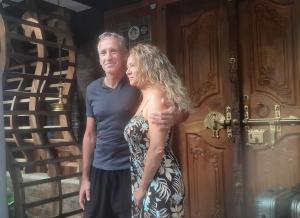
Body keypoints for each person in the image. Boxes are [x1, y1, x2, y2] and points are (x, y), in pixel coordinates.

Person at [79, 32, 185, 218]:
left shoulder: (138, 85)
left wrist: (175, 116)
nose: (107, 57)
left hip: (130, 171)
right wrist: (85, 178)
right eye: (103, 53)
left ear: (124, 54)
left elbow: (179, 106)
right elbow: (89, 135)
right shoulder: (92, 90)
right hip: (100, 169)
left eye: (113, 51)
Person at [124, 43, 191, 217]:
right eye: (127, 67)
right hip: (148, 179)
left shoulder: (157, 98)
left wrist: (142, 188)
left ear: (147, 65)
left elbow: (156, 148)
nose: (127, 71)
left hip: (159, 181)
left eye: (132, 65)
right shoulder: (146, 95)